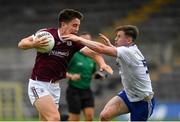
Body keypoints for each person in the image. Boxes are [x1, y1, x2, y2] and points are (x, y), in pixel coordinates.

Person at [18, 9, 113, 121]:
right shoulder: (47, 34)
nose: (77, 29)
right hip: (38, 85)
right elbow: (21, 43)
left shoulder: (74, 41)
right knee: (54, 118)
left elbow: (93, 53)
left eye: (78, 26)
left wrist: (102, 63)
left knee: (45, 120)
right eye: (74, 25)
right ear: (63, 24)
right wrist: (33, 43)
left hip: (54, 87)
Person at [62, 25, 155, 121]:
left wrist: (77, 39)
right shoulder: (130, 51)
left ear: (128, 40)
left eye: (119, 36)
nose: (116, 39)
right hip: (128, 95)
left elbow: (101, 48)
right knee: (104, 116)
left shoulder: (128, 52)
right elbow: (121, 53)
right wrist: (111, 46)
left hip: (142, 101)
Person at [66, 32, 106, 121]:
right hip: (74, 91)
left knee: (89, 117)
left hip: (87, 90)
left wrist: (98, 75)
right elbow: (60, 71)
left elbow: (93, 73)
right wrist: (71, 76)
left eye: (88, 40)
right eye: (84, 40)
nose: (86, 42)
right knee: (74, 119)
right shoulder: (73, 55)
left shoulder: (92, 57)